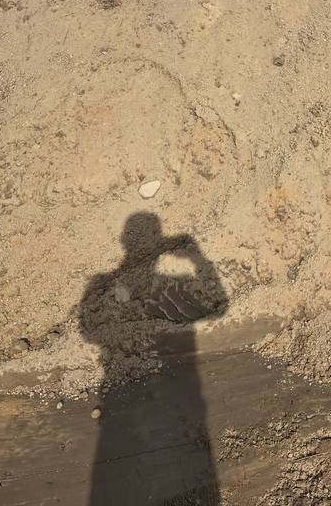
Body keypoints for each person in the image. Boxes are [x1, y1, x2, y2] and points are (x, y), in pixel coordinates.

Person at [79, 212, 226, 505]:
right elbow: (217, 306)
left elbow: (87, 330)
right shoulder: (159, 285)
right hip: (165, 398)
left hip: (127, 400)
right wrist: (197, 258)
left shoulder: (107, 283)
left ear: (123, 241)